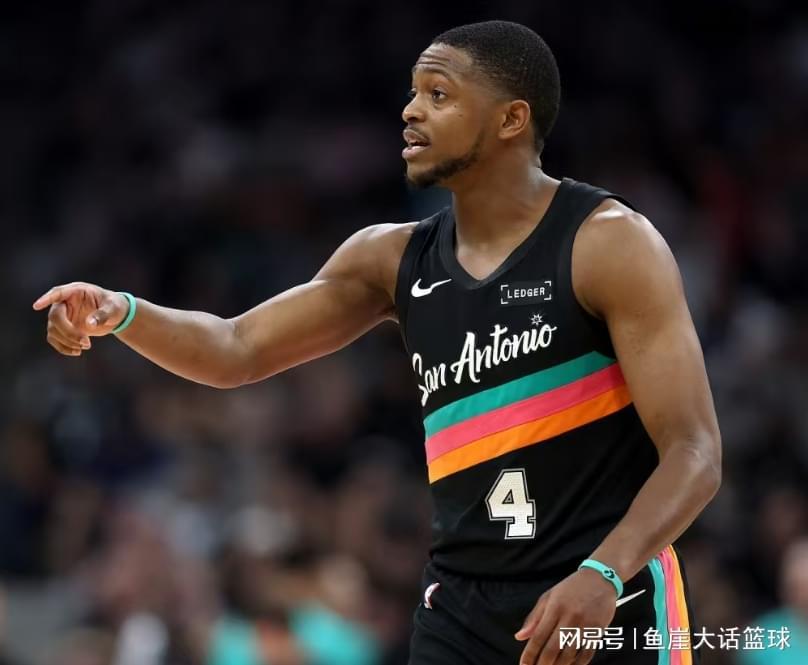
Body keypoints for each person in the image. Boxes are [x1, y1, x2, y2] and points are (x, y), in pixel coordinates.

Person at [33, 20, 721, 665]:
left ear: (512, 119)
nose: (411, 111)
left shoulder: (608, 243)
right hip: (461, 608)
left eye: (439, 94)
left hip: (604, 591)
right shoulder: (390, 258)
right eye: (414, 92)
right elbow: (235, 347)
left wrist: (606, 571)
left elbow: (694, 452)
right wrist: (123, 312)